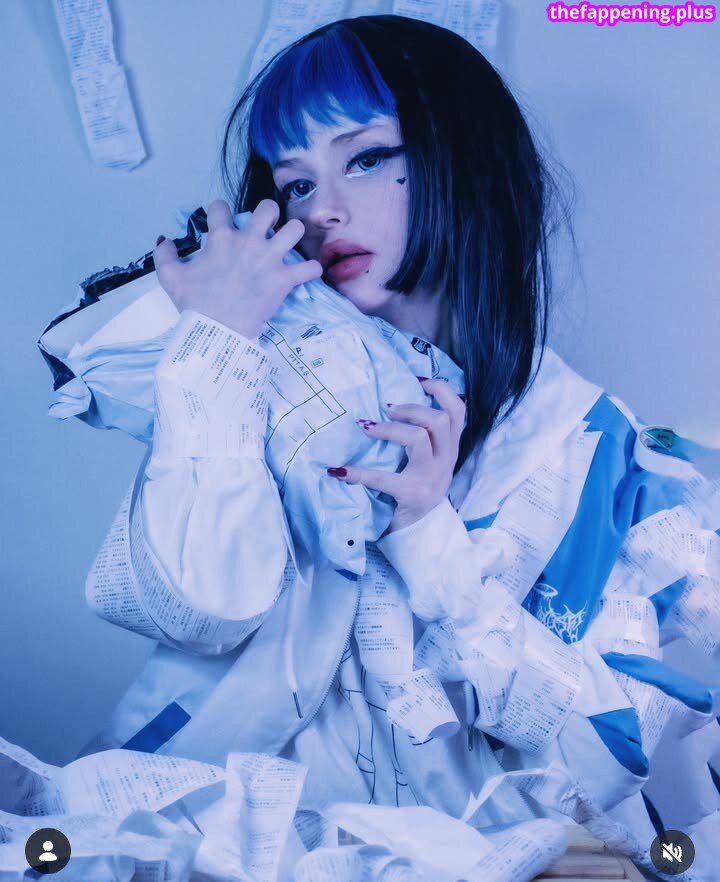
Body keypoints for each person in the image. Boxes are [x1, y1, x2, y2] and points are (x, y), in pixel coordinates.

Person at [69, 14, 718, 877]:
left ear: (463, 158)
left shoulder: (605, 460)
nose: (321, 209)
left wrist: (430, 547)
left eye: (367, 157)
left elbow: (606, 758)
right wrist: (213, 350)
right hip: (233, 843)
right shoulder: (250, 374)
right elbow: (192, 612)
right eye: (295, 183)